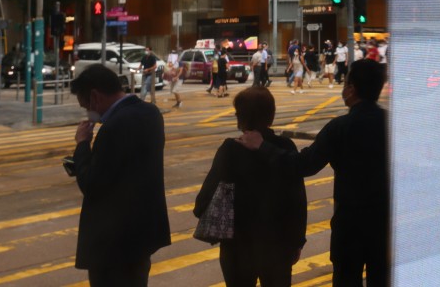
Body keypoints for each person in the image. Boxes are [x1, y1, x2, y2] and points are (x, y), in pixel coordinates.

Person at [240, 60, 389, 287]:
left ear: (351, 89)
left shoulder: (340, 127)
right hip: (384, 223)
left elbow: (304, 165)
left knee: (347, 280)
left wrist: (264, 147)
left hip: (350, 225)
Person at [69, 64, 171, 286]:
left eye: (85, 105)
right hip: (142, 237)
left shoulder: (114, 126)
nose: (88, 111)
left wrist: (82, 145)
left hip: (113, 244)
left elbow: (92, 184)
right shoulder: (151, 113)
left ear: (95, 96)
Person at [195, 86, 307, 287]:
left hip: (238, 247)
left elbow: (203, 200)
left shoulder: (230, 148)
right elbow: (298, 200)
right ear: (270, 116)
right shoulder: (285, 147)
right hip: (278, 246)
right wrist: (297, 241)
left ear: (242, 117)